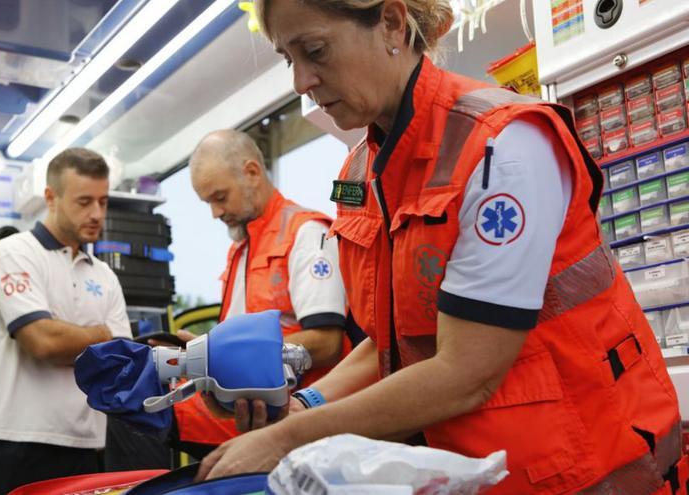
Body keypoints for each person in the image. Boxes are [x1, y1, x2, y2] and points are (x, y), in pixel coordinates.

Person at [196, 1, 687, 493]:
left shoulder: (503, 145)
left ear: (390, 21)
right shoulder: (360, 173)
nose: (301, 81)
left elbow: (468, 369)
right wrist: (307, 404)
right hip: (473, 474)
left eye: (315, 50)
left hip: (586, 470)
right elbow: (395, 343)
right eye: (288, 59)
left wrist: (288, 439)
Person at [172, 129, 351, 456]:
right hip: (247, 414)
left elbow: (326, 343)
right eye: (207, 202)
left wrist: (230, 356)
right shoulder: (241, 249)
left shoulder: (306, 234)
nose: (215, 213)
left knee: (157, 416)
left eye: (220, 197)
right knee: (146, 404)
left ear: (252, 173)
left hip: (303, 419)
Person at [0, 148, 131, 495]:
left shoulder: (104, 276)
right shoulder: (13, 253)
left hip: (85, 446)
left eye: (103, 201)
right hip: (8, 440)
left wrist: (86, 340)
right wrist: (101, 334)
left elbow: (121, 361)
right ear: (51, 198)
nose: (96, 213)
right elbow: (43, 342)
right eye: (84, 201)